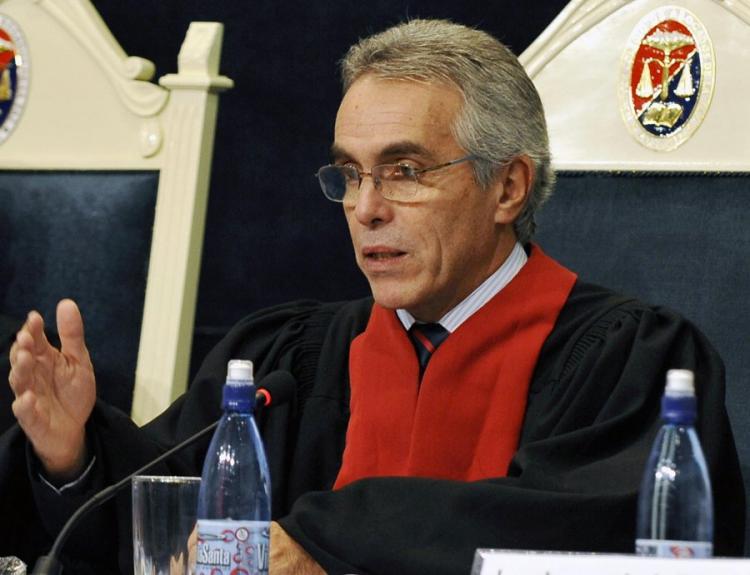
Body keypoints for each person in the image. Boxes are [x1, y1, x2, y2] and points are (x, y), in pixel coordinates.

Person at [2, 18, 744, 575]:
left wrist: (328, 541)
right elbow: (163, 516)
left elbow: (582, 533)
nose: (366, 207)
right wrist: (75, 455)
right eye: (350, 175)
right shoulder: (286, 364)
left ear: (508, 187)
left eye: (405, 170)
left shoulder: (635, 363)